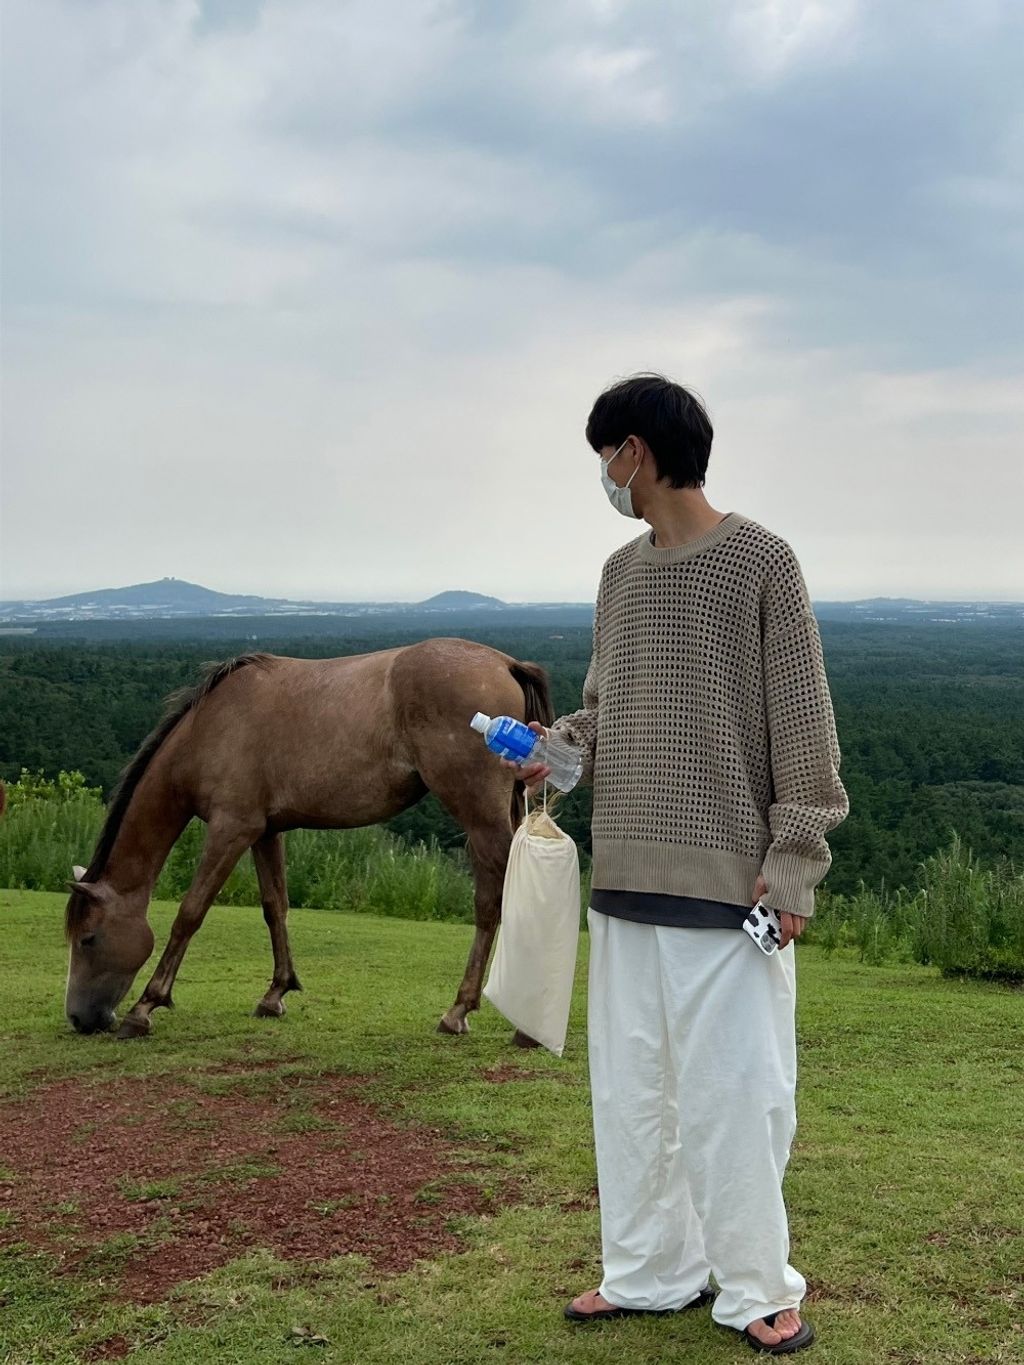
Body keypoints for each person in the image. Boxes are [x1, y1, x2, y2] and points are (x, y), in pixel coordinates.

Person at [512, 374, 848, 1355]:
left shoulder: (762, 562)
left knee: (738, 1093)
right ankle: (649, 1271)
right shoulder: (619, 575)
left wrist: (794, 863)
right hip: (623, 877)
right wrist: (558, 751)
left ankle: (755, 1286)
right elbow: (609, 711)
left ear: (637, 452)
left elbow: (804, 729)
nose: (603, 474)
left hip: (729, 886)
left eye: (604, 453)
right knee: (633, 1091)